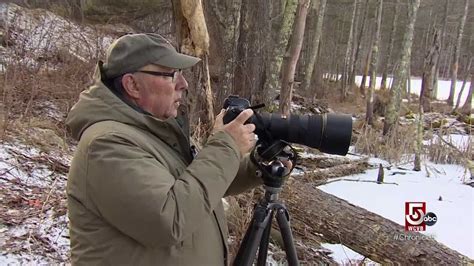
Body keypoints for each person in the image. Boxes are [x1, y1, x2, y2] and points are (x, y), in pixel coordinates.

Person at [66, 33, 263, 265]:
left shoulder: (156, 131)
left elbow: (202, 185)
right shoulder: (106, 145)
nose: (183, 84)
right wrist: (226, 146)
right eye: (171, 75)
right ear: (132, 85)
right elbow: (169, 218)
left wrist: (258, 165)